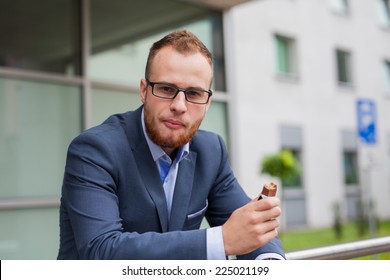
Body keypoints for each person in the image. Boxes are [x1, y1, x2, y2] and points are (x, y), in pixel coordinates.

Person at [57, 30, 285, 260]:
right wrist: (221, 241)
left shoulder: (211, 151)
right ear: (144, 91)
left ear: (207, 103)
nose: (179, 105)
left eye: (194, 93)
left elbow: (249, 230)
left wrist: (268, 261)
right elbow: (101, 250)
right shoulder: (94, 150)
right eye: (167, 89)